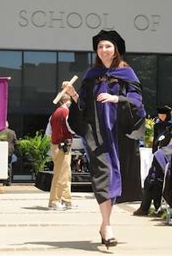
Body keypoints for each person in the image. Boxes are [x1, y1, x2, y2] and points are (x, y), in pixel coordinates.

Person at [63, 29, 145, 248]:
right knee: (103, 174)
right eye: (100, 47)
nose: (103, 50)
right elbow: (83, 106)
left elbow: (137, 101)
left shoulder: (126, 72)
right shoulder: (91, 75)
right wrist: (72, 94)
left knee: (116, 176)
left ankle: (104, 225)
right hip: (97, 135)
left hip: (119, 134)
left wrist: (116, 97)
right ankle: (107, 226)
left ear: (116, 49)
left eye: (107, 46)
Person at [48, 94, 75, 210]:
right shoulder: (66, 112)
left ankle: (66, 200)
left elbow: (48, 132)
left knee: (65, 174)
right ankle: (54, 201)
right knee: (61, 175)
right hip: (62, 146)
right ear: (65, 101)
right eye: (70, 100)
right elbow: (71, 128)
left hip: (56, 145)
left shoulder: (53, 114)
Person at [0, 121, 18, 186]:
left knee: (2, 166)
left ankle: (3, 181)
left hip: (1, 151)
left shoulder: (0, 132)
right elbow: (15, 141)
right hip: (10, 150)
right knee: (9, 165)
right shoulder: (12, 132)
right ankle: (8, 181)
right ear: (8, 125)